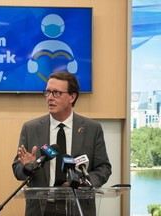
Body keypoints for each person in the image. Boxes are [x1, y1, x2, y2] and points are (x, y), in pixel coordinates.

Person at [12, 71, 112, 216]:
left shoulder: (92, 129)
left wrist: (85, 182)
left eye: (56, 93)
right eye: (47, 92)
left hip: (78, 206)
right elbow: (17, 169)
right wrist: (27, 167)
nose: (50, 98)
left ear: (72, 97)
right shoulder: (31, 128)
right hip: (41, 209)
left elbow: (103, 167)